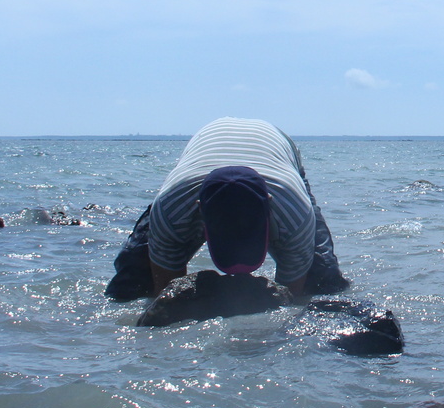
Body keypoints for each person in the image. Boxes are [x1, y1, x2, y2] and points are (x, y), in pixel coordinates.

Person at [105, 117, 349, 301]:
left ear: (270, 207)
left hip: (275, 148)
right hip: (206, 145)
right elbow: (165, 292)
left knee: (322, 281)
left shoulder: (295, 215)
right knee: (132, 282)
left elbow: (292, 300)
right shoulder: (171, 210)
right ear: (200, 212)